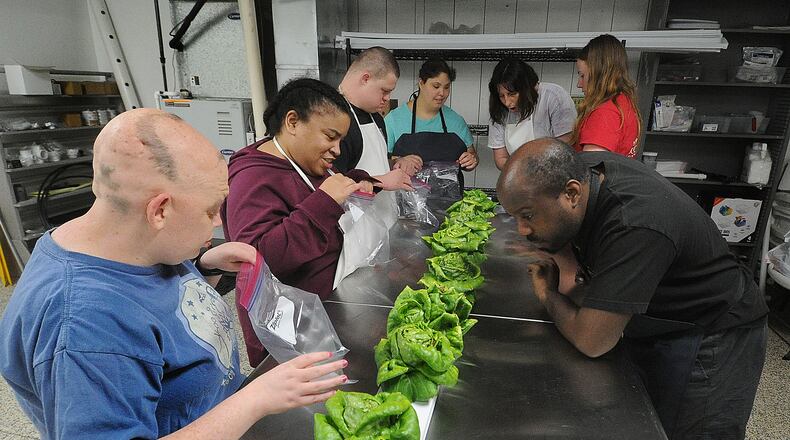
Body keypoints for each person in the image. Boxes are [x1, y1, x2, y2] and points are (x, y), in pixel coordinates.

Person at [0, 109, 348, 439]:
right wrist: (254, 399)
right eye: (211, 210)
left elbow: (158, 313)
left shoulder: (125, 237)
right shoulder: (85, 328)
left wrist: (205, 269)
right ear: (160, 210)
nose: (217, 223)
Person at [497, 138, 768, 440]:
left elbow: (593, 340)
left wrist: (547, 294)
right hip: (660, 319)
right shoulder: (582, 173)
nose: (521, 230)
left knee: (693, 430)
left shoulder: (634, 224)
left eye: (528, 215)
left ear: (571, 193)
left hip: (714, 332)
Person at [222, 78, 394, 366]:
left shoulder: (305, 161)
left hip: (328, 311)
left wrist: (357, 181)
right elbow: (259, 258)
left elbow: (323, 188)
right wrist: (325, 203)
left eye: (340, 140)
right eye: (330, 136)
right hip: (290, 334)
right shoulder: (252, 177)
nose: (337, 150)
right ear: (292, 121)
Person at [385, 58, 478, 180]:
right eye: (436, 86)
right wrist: (399, 161)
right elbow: (381, 161)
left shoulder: (456, 121)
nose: (442, 93)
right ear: (421, 83)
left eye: (446, 87)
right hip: (406, 196)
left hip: (450, 197)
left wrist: (471, 161)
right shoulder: (394, 119)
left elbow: (472, 156)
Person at [335, 46, 419, 180]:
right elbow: (332, 184)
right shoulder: (333, 119)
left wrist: (396, 163)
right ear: (365, 79)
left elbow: (377, 165)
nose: (387, 98)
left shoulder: (376, 118)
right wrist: (381, 183)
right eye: (385, 91)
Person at [487, 57, 577, 170]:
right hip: (518, 176)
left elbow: (566, 148)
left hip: (556, 173)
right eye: (501, 96)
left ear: (528, 88)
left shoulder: (553, 97)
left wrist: (536, 172)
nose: (507, 102)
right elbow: (501, 157)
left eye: (512, 94)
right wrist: (521, 172)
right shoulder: (499, 111)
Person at [572, 34, 641, 158]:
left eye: (582, 76)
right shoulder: (623, 102)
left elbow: (595, 170)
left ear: (599, 74)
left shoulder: (604, 113)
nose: (579, 84)